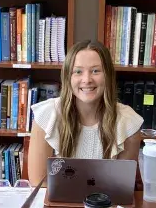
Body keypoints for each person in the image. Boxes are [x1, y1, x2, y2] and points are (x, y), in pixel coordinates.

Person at [27, 40, 143, 184]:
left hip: (106, 206)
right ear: (68, 77)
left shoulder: (128, 122)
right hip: (58, 206)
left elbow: (121, 188)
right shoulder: (46, 116)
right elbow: (39, 185)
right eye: (78, 72)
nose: (87, 80)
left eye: (95, 71)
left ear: (108, 76)